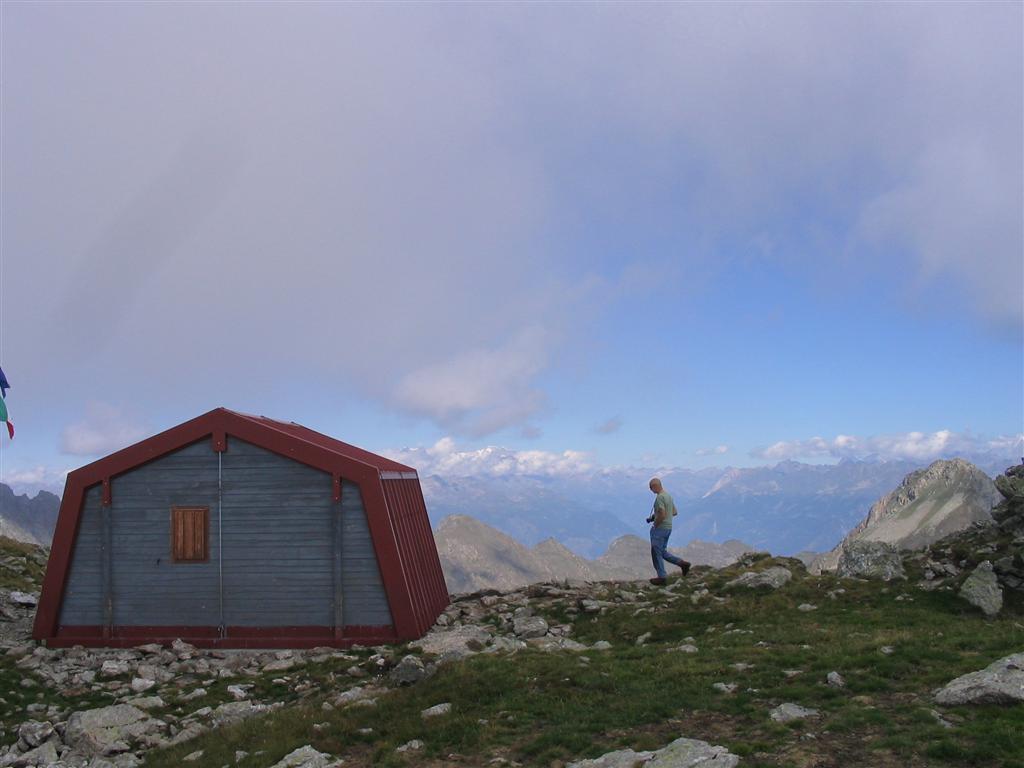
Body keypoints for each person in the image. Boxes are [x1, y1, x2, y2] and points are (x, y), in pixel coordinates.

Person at [646, 477, 691, 585]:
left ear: (655, 486)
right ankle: (682, 564)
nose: (651, 491)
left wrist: (655, 525)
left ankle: (662, 577)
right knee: (662, 552)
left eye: (651, 488)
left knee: (656, 553)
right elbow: (674, 512)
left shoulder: (660, 498)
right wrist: (653, 517)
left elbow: (662, 513)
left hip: (660, 529)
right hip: (668, 528)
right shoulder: (668, 496)